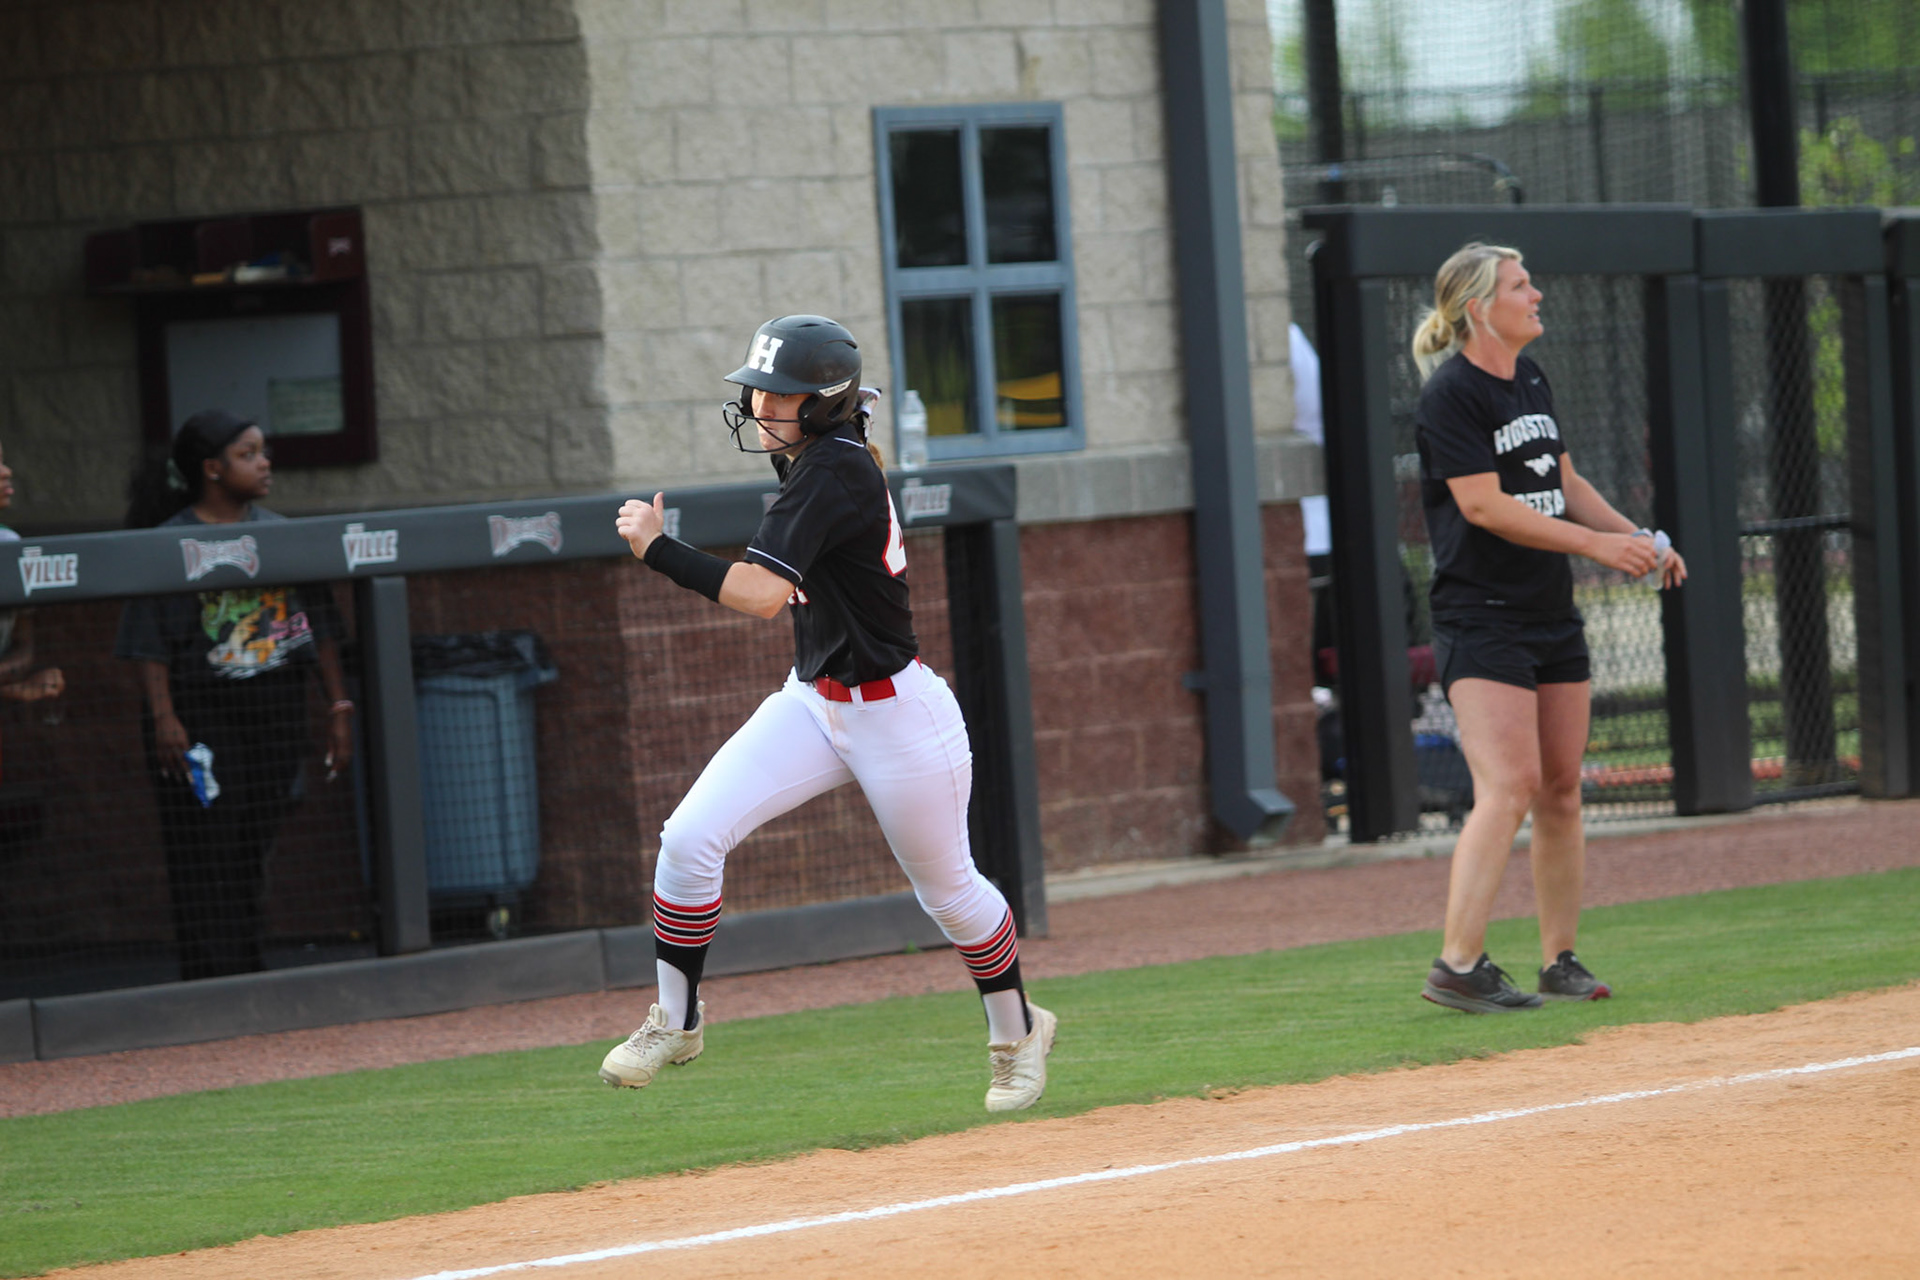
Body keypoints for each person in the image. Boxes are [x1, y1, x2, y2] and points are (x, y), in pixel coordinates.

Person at [600, 315, 1056, 1111]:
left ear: (823, 404)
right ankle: (676, 1020)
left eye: (780, 395)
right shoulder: (817, 455)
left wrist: (656, 547)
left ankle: (1018, 1032)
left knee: (949, 893)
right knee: (689, 839)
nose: (761, 405)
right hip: (814, 702)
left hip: (898, 714)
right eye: (760, 390)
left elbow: (760, 595)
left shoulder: (834, 466)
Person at [1410, 243, 1686, 1014]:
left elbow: (1565, 482)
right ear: (1479, 308)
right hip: (1481, 617)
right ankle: (1458, 965)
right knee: (1510, 785)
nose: (1536, 295)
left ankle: (1558, 960)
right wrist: (1596, 547)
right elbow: (1483, 506)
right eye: (1520, 285)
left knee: (1561, 788)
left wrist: (1637, 538)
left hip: (1549, 614)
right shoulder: (1451, 395)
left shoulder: (1529, 377)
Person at [115, 410, 354, 981]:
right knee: (207, 839)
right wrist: (164, 718)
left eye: (263, 451)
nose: (264, 463)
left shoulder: (281, 533)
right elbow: (148, 643)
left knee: (255, 836)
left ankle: (248, 965)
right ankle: (208, 972)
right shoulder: (168, 541)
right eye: (248, 454)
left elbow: (319, 627)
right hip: (202, 713)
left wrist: (338, 706)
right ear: (212, 469)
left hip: (275, 707)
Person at [0, 441, 66, 709]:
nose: (6, 471)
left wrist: (15, 684)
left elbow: (22, 646)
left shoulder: (9, 543)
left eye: (2, 460)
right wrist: (10, 690)